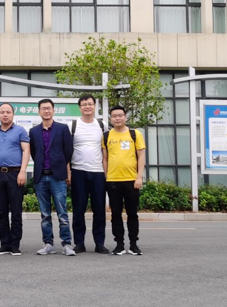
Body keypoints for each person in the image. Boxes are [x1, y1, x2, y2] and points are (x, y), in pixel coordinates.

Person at [28, 98, 75, 256]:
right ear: (39, 111)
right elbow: (34, 152)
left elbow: (68, 151)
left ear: (53, 110)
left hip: (57, 177)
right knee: (45, 214)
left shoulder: (62, 129)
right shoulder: (34, 131)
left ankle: (67, 244)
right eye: (43, 108)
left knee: (62, 212)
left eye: (49, 108)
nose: (46, 111)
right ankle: (48, 244)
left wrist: (62, 167)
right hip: (41, 177)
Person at [102, 105, 146, 256]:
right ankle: (119, 244)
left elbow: (141, 156)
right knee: (116, 214)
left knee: (132, 214)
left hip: (131, 180)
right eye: (114, 116)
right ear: (111, 119)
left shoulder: (135, 134)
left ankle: (133, 244)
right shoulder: (106, 136)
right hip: (113, 181)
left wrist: (139, 177)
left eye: (120, 115)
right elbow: (105, 159)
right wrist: (106, 177)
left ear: (125, 117)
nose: (117, 118)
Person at [0, 102, 31, 256]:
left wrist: (22, 171)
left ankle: (14, 245)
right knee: (1, 212)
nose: (5, 115)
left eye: (8, 112)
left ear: (13, 114)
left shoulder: (20, 131)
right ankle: (4, 244)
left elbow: (26, 151)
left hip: (15, 174)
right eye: (2, 112)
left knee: (16, 211)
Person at [69, 94, 109, 254]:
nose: (87, 107)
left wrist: (107, 173)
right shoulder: (72, 125)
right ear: (79, 108)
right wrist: (68, 172)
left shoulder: (102, 125)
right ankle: (79, 243)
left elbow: (105, 151)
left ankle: (99, 243)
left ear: (95, 106)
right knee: (78, 209)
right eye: (84, 104)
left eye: (90, 104)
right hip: (78, 171)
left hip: (98, 172)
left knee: (99, 210)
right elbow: (67, 151)